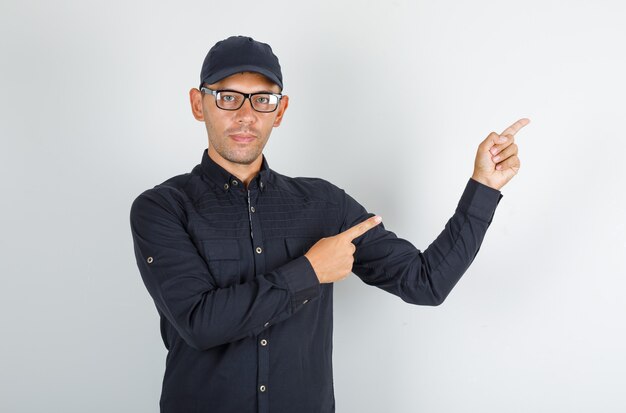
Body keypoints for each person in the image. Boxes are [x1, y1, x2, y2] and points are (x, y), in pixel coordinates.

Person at [129, 35, 529, 413]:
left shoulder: (324, 204)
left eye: (263, 99)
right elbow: (200, 323)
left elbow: (426, 282)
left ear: (280, 111)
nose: (246, 115)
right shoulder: (162, 208)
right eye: (228, 97)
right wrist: (310, 271)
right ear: (199, 104)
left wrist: (483, 187)